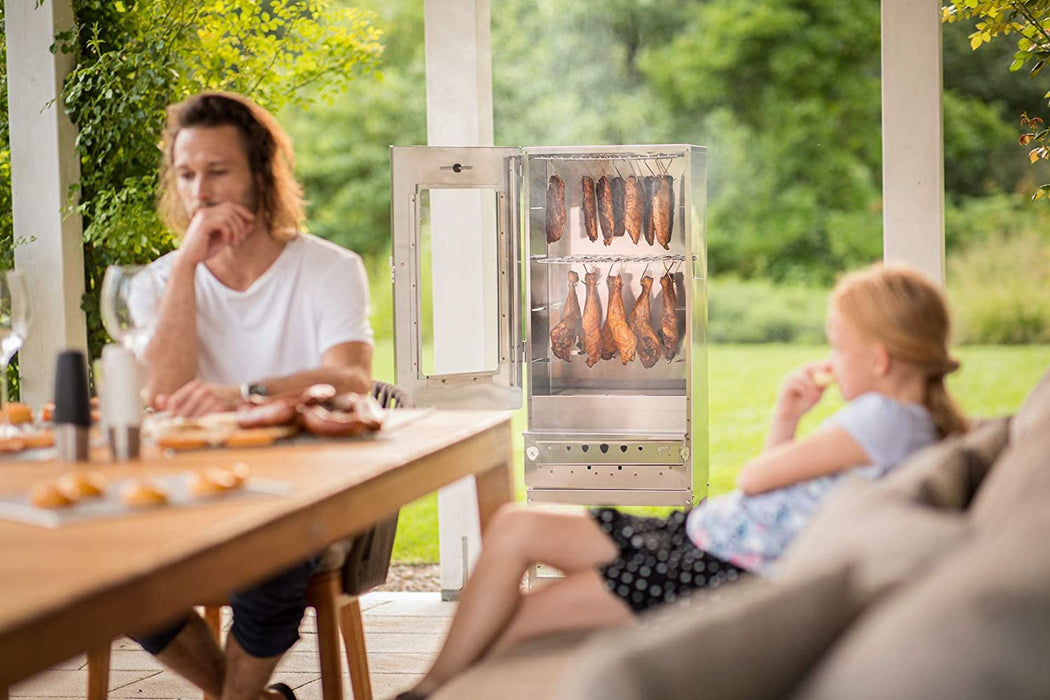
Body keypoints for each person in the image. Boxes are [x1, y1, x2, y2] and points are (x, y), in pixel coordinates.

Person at [396, 263, 968, 699]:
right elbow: (761, 493)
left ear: (881, 359)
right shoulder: (911, 426)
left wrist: (787, 416)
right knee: (517, 526)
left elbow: (756, 475)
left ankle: (427, 691)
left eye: (839, 348)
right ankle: (427, 688)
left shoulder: (882, 420)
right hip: (701, 538)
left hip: (711, 571)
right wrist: (789, 415)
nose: (833, 360)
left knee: (521, 615)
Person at [130, 91, 374, 700]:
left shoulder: (328, 268)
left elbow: (351, 379)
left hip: (300, 487)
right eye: (186, 174)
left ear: (261, 173)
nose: (200, 192)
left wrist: (244, 394)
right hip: (190, 486)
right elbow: (162, 393)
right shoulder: (157, 283)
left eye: (217, 171)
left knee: (269, 563)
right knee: (119, 574)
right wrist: (186, 267)